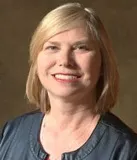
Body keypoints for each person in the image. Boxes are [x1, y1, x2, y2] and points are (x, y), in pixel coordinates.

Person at [0, 2, 137, 160]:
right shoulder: (11, 133)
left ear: (102, 63)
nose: (65, 61)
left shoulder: (126, 149)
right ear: (36, 61)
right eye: (52, 47)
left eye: (81, 47)